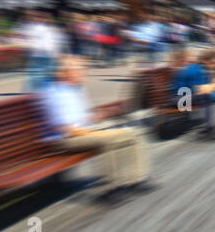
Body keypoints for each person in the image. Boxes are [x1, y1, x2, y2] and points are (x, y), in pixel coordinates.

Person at [39, 56, 148, 187]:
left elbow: (81, 118)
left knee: (134, 133)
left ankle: (136, 179)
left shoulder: (72, 90)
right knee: (113, 139)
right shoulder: (54, 94)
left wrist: (102, 114)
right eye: (79, 69)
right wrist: (104, 133)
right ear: (65, 73)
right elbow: (69, 130)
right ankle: (112, 186)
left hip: (81, 131)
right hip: (64, 140)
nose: (83, 72)